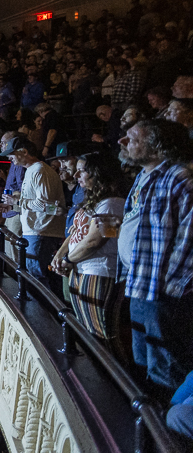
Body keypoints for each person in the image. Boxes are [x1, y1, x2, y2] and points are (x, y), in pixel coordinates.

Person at [117, 118, 193, 390]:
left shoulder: (180, 177)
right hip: (140, 285)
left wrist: (172, 287)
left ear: (158, 146)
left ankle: (165, 430)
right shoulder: (142, 176)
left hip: (163, 293)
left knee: (167, 367)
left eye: (133, 139)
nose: (122, 142)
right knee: (143, 361)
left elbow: (189, 238)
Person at [49, 151, 127, 340]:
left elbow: (95, 241)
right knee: (86, 329)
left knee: (100, 332)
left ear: (99, 173)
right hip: (81, 269)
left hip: (99, 272)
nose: (75, 176)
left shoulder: (113, 204)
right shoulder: (95, 202)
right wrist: (60, 256)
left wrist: (67, 260)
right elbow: (76, 232)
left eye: (81, 171)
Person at [1, 135, 65, 284]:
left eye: (12, 153)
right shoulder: (32, 170)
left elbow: (49, 206)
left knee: (38, 277)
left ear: (23, 151)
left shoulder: (40, 170)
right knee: (34, 275)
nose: (9, 157)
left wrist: (17, 200)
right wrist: (15, 204)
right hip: (35, 231)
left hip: (42, 231)